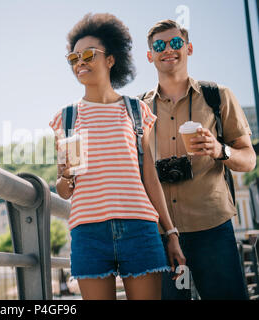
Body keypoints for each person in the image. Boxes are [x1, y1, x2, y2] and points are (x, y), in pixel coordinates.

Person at [48, 13, 185, 300]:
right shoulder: (66, 118)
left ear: (111, 59)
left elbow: (150, 177)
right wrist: (65, 175)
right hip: (88, 233)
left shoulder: (136, 111)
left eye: (88, 54)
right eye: (73, 58)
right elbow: (63, 190)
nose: (80, 62)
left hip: (140, 229)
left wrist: (170, 233)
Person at [142, 19, 256, 300]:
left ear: (189, 48)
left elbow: (249, 159)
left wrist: (220, 150)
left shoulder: (217, 97)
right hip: (161, 236)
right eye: (159, 45)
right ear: (150, 56)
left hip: (213, 229)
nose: (168, 49)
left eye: (176, 43)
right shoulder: (139, 109)